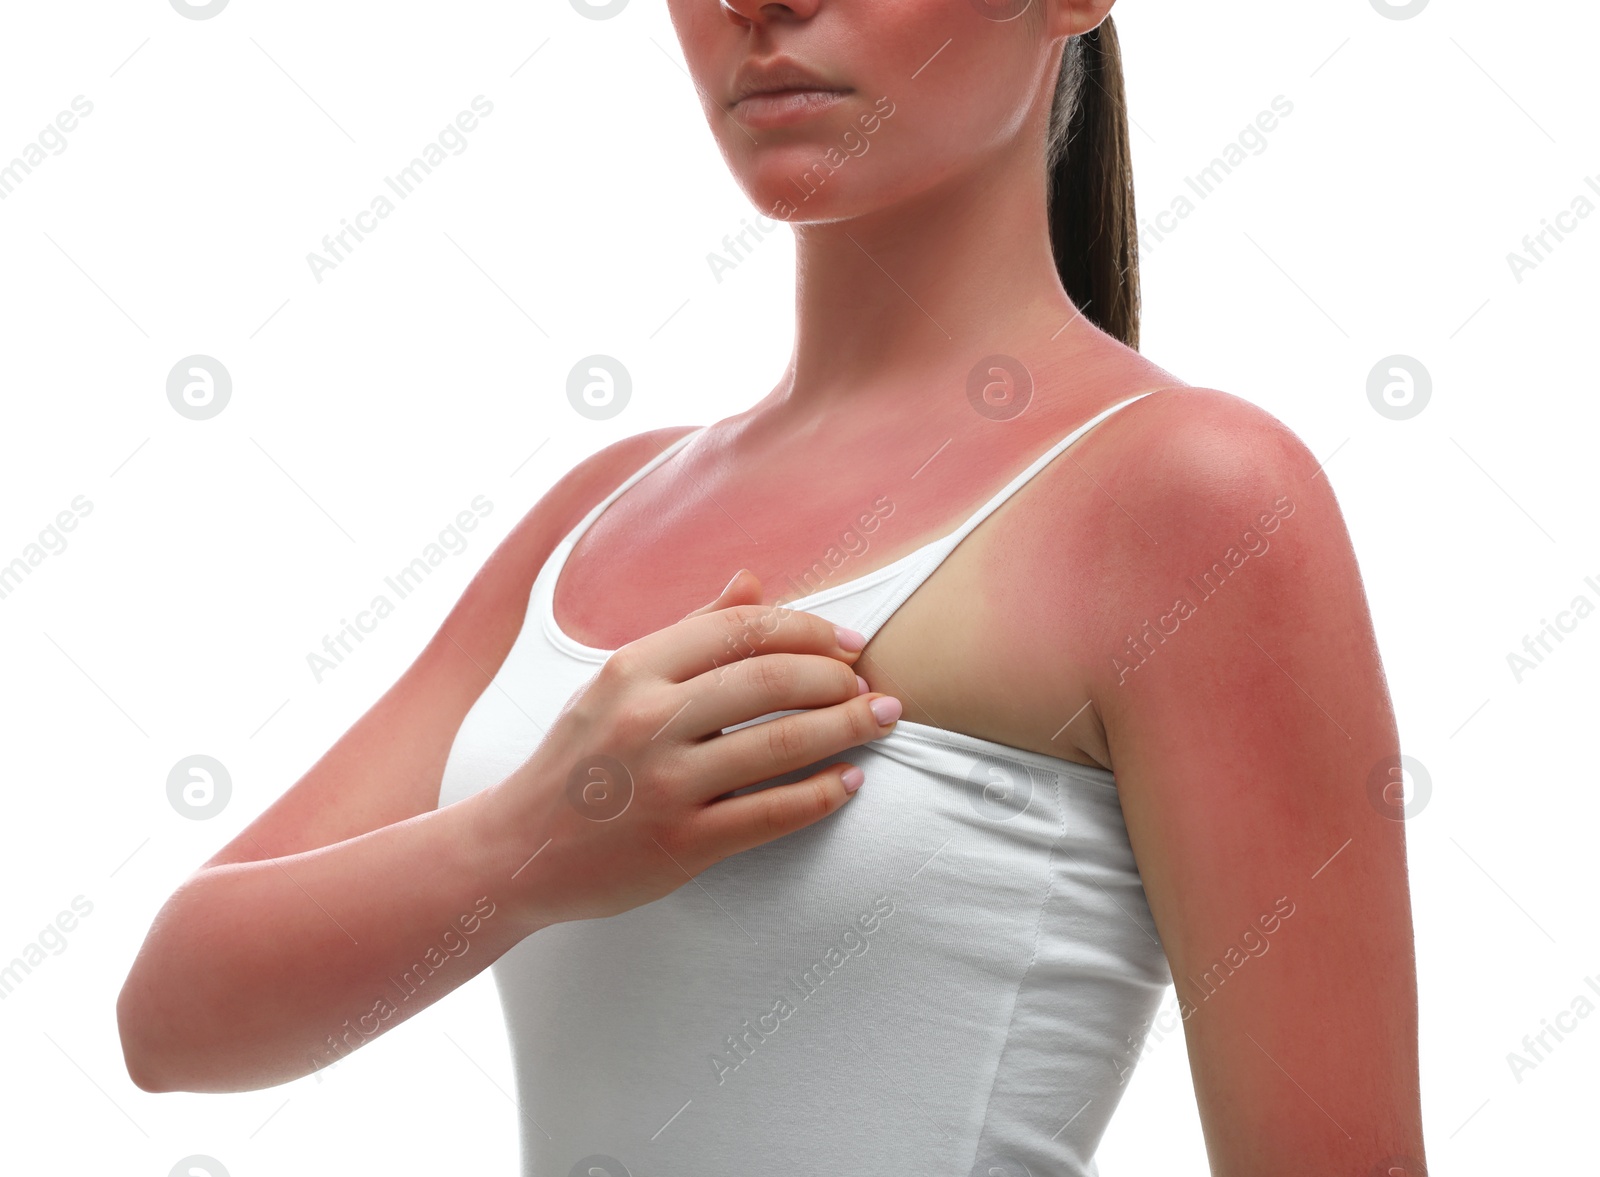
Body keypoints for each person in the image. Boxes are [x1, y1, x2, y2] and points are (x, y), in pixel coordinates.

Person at [117, 2, 1427, 1173]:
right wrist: (531, 847)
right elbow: (169, 1016)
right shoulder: (598, 513)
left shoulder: (1192, 499)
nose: (760, 3)